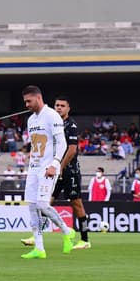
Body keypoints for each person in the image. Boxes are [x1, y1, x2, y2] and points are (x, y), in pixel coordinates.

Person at [17, 85, 77, 259]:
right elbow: (35, 145)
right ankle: (39, 248)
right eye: (25, 102)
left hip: (47, 167)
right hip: (33, 168)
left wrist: (55, 163)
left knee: (42, 205)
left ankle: (66, 230)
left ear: (38, 98)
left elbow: (63, 143)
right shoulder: (31, 120)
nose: (27, 104)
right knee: (32, 206)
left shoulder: (52, 115)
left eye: (29, 101)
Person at [48, 97, 91, 249]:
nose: (59, 108)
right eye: (57, 105)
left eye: (62, 106)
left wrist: (60, 167)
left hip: (70, 170)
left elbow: (72, 150)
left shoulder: (70, 125)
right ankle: (36, 236)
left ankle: (85, 240)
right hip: (57, 168)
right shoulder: (54, 124)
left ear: (68, 108)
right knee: (45, 202)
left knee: (76, 204)